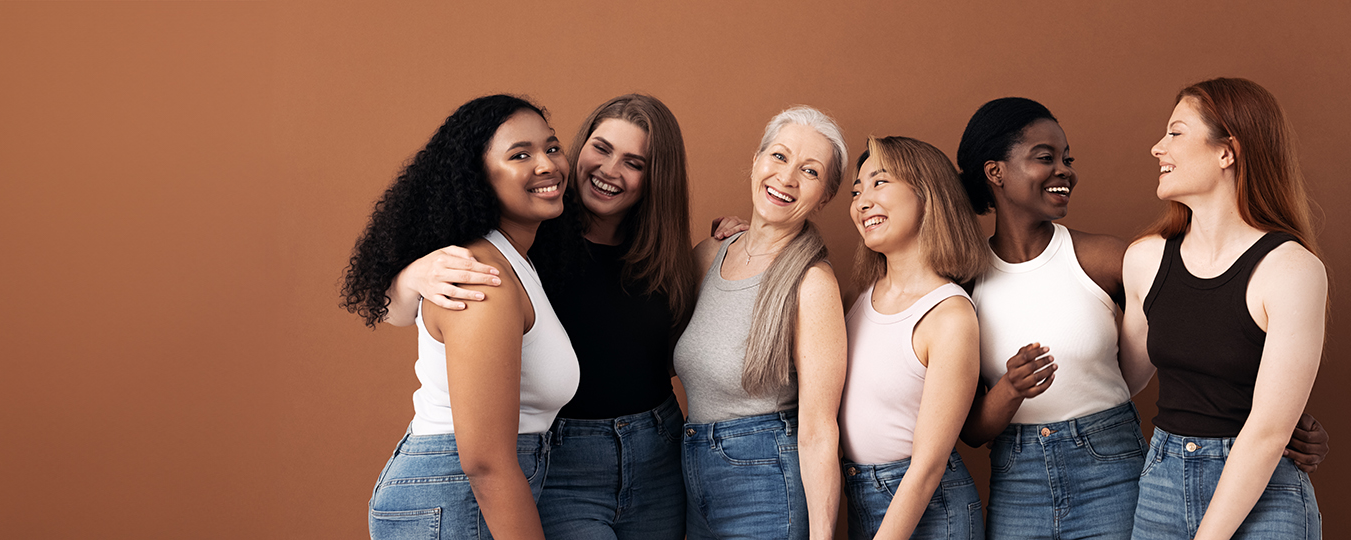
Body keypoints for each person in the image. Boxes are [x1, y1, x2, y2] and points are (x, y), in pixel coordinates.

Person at [951, 97, 1331, 540]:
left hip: (1119, 462)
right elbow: (973, 425)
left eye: (1175, 132)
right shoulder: (967, 281)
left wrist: (1286, 427)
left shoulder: (1115, 258)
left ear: (1227, 153)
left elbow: (1208, 334)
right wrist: (1010, 391)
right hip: (1062, 474)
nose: (1065, 170)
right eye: (1045, 157)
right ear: (995, 172)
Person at [382, 94, 696, 540]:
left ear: (656, 179)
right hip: (563, 455)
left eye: (634, 162)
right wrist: (414, 274)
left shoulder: (664, 258)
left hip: (656, 449)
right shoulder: (529, 233)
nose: (609, 170)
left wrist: (744, 239)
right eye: (601, 149)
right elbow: (404, 311)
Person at [341, 94, 577, 540]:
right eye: (520, 155)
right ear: (479, 178)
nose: (546, 164)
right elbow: (486, 462)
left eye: (551, 147)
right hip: (456, 497)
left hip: (469, 493)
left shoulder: (517, 259)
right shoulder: (480, 277)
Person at [1120, 78, 1327, 539]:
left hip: (1263, 489)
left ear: (1226, 151)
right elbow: (1120, 381)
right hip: (1162, 482)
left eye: (1175, 133)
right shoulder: (1145, 258)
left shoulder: (1291, 270)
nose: (1157, 148)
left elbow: (1269, 432)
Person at [676, 106, 849, 540]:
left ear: (825, 196)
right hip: (692, 474)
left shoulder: (812, 283)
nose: (787, 178)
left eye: (809, 171)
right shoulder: (707, 257)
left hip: (766, 483)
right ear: (756, 161)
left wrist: (823, 536)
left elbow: (818, 429)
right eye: (778, 156)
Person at [841, 136, 989, 540]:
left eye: (879, 182)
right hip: (860, 494)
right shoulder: (858, 299)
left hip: (930, 510)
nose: (862, 201)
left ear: (927, 194)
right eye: (857, 191)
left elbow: (927, 465)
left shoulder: (949, 314)